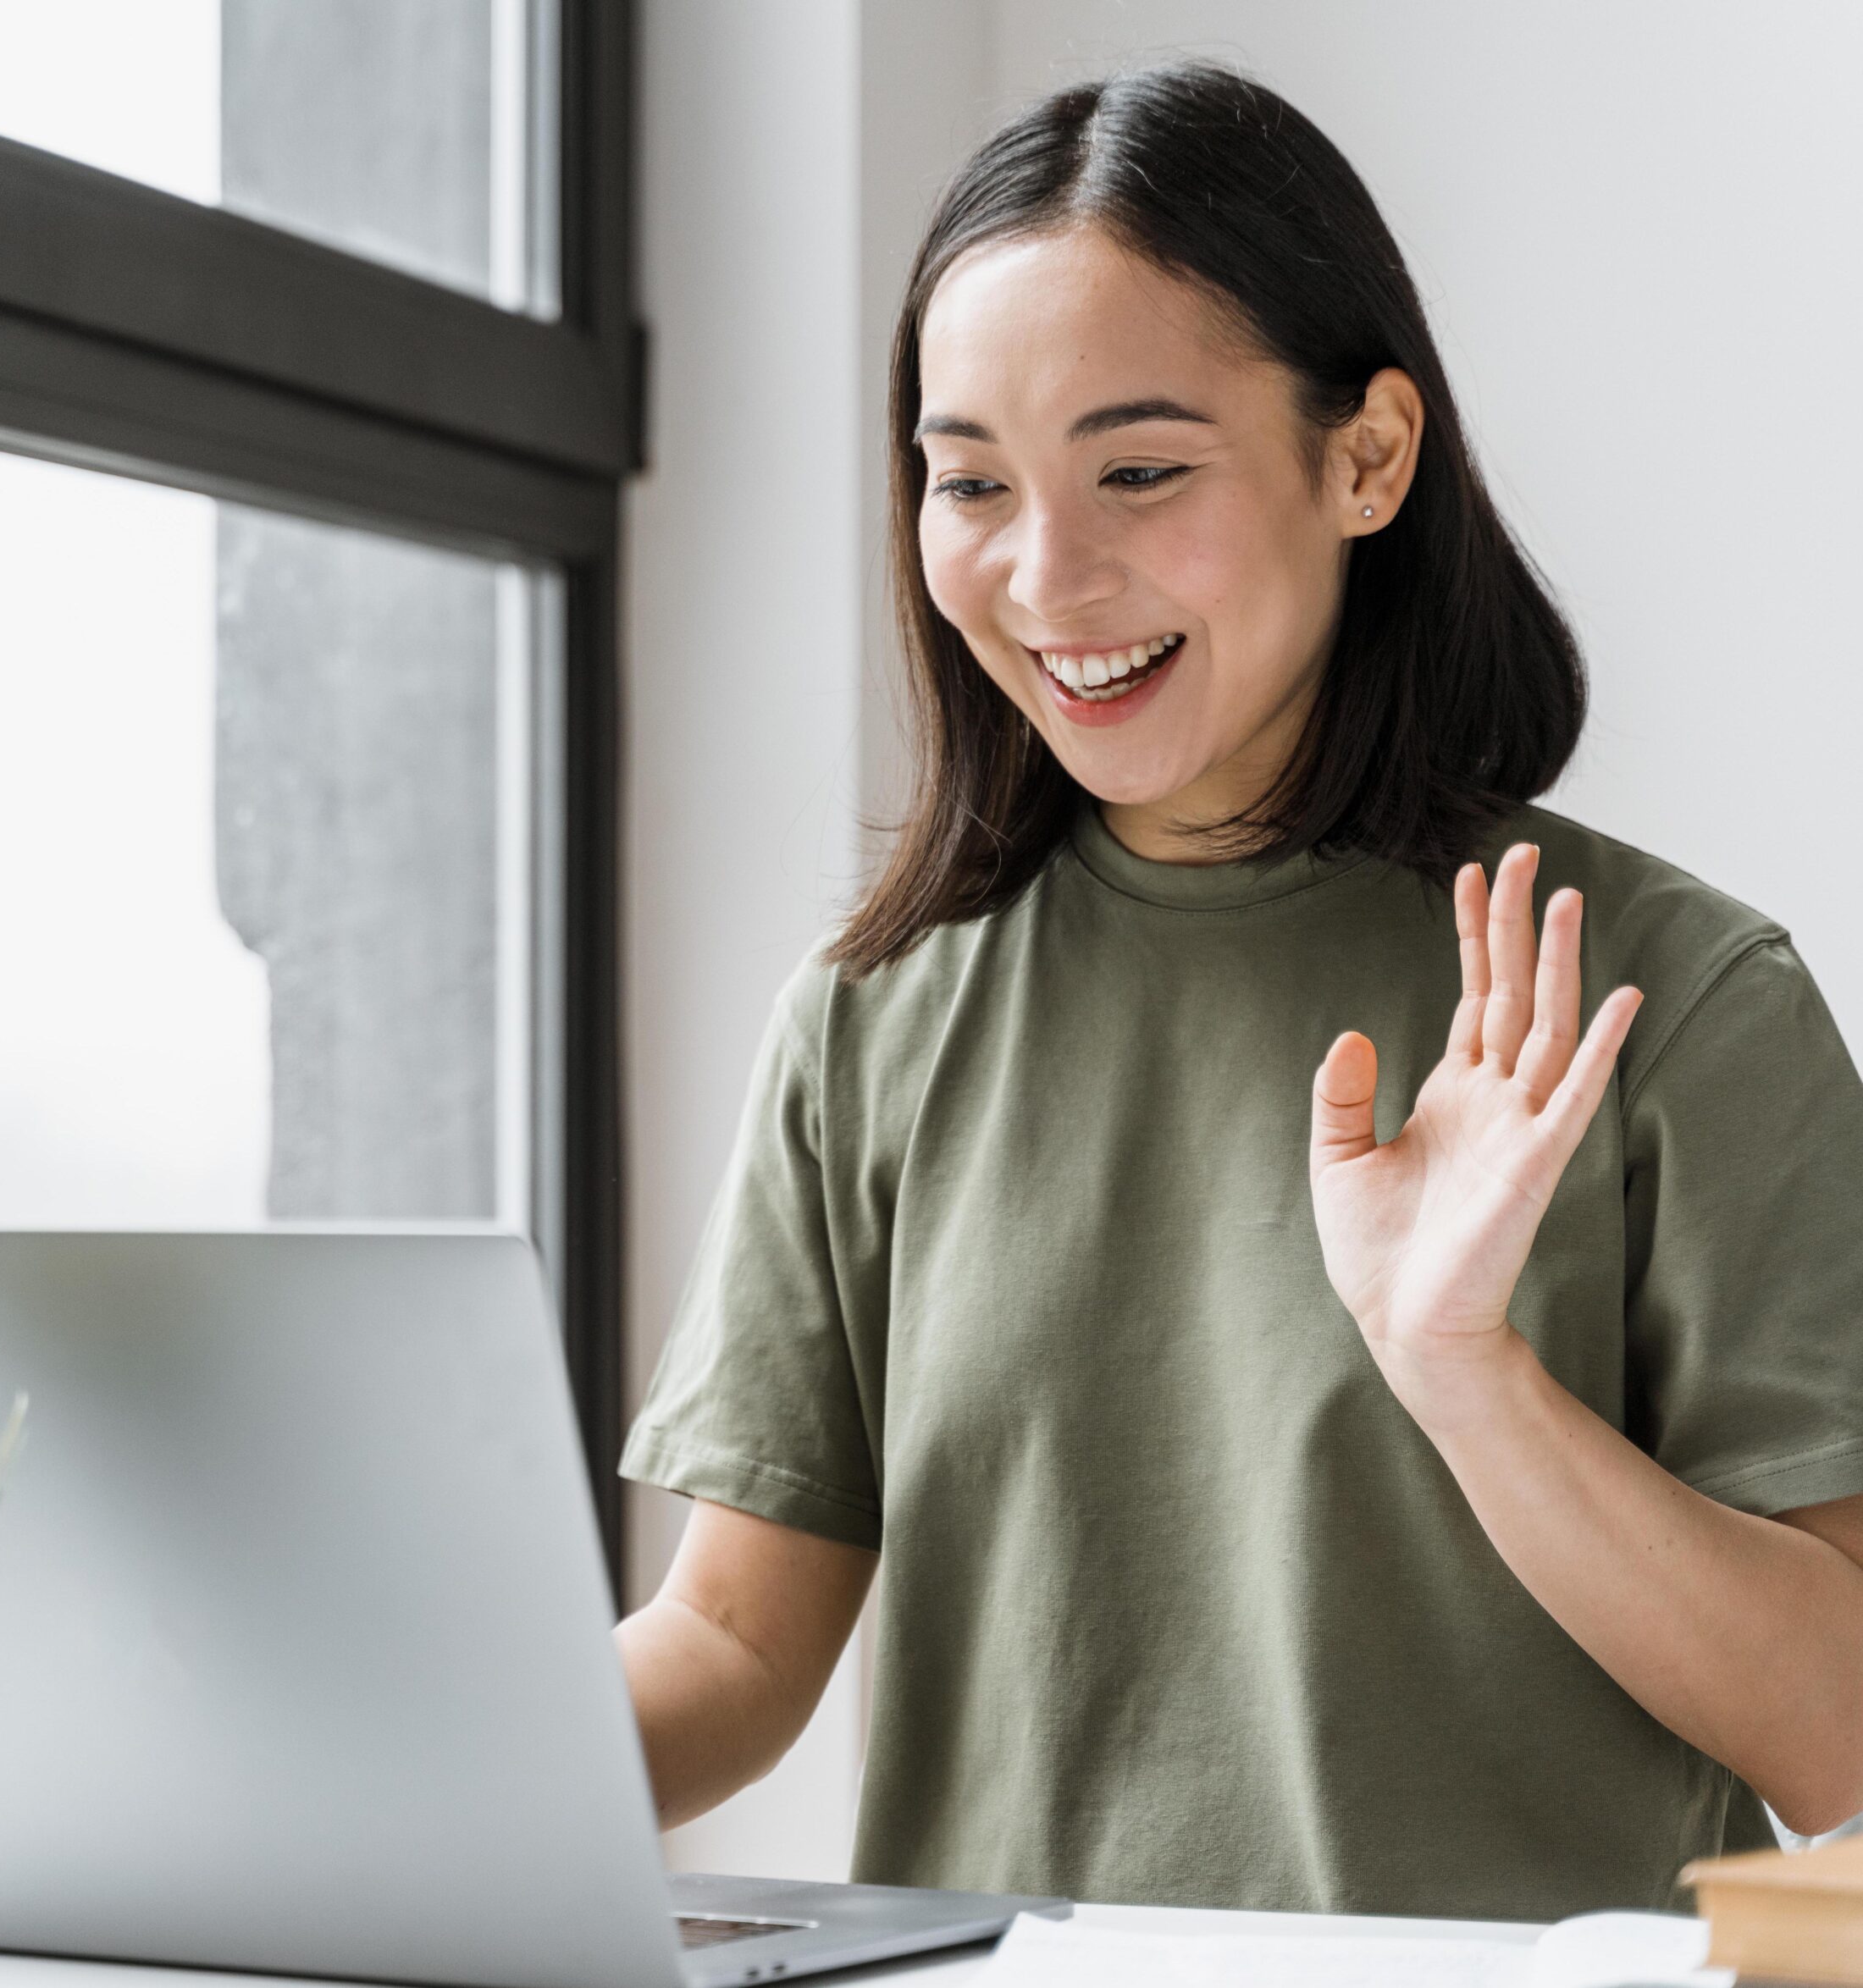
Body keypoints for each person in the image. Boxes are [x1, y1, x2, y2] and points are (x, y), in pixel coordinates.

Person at [613, 61, 1863, 1922]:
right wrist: (351, 1779)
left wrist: (1467, 1375)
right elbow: (729, 1643)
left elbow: (1837, 1741)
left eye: (1137, 471)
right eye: (968, 481)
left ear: (1363, 455)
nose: (1045, 575)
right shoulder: (873, 1013)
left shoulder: (1671, 1000)